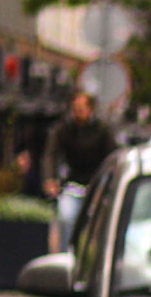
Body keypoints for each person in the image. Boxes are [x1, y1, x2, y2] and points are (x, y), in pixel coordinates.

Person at [48, 92, 116, 244]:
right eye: (75, 108)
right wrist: (50, 177)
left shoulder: (102, 130)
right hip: (73, 184)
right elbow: (51, 154)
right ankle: (66, 255)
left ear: (90, 109)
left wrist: (108, 181)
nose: (78, 112)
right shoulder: (65, 129)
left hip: (97, 185)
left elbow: (112, 156)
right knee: (66, 217)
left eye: (82, 108)